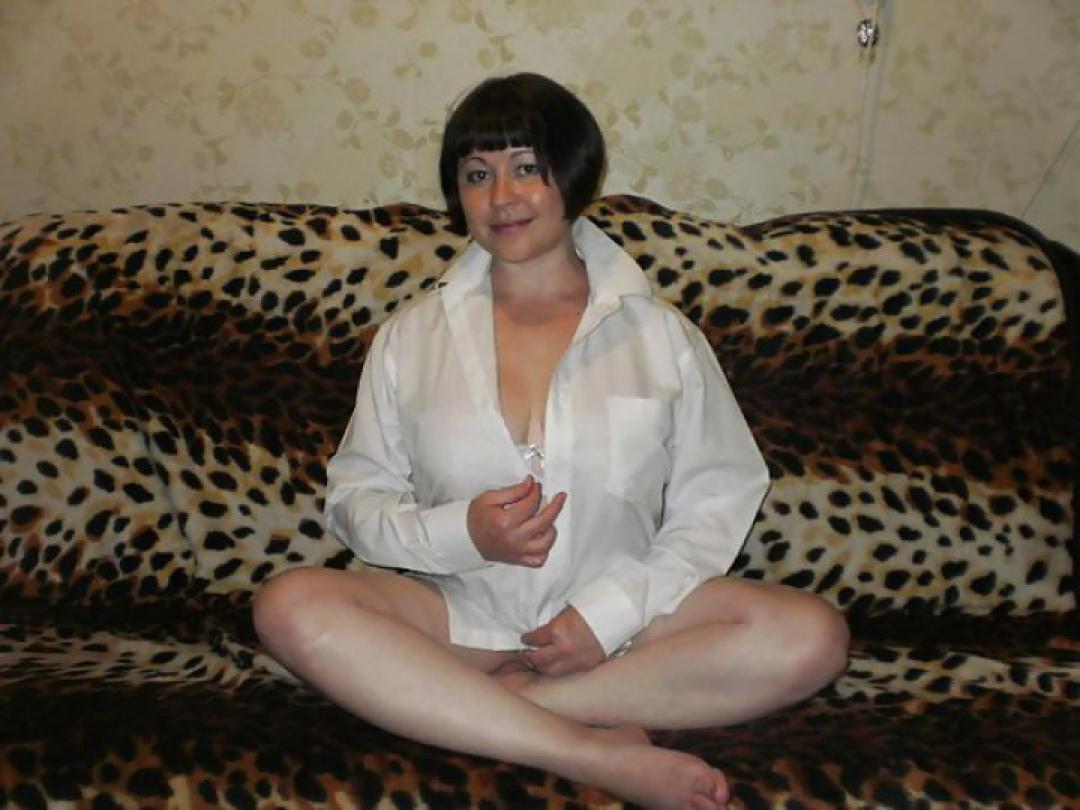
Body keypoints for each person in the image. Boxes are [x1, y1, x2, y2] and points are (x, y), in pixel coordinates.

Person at [253, 72, 849, 810]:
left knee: (814, 636)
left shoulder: (661, 336)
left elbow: (718, 497)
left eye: (527, 167)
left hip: (630, 631)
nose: (502, 196)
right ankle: (587, 750)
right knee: (288, 605)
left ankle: (499, 707)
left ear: (573, 174)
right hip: (458, 620)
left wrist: (610, 614)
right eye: (477, 175)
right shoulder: (410, 337)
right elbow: (355, 500)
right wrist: (461, 533)